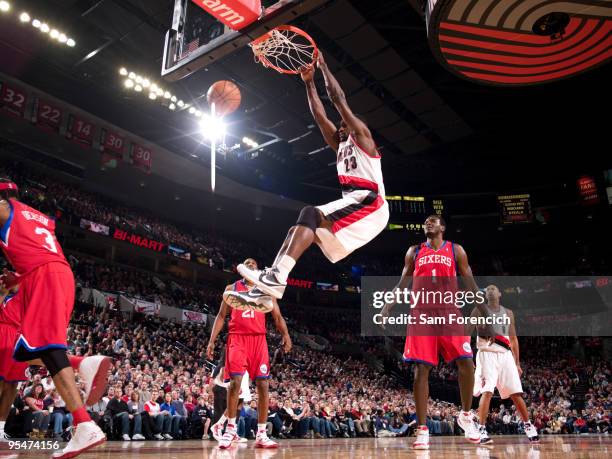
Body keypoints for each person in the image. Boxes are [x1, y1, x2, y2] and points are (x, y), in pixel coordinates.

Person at [224, 54, 389, 311]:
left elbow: (337, 99)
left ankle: (276, 279)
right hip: (355, 202)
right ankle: (266, 292)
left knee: (309, 213)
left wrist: (323, 66)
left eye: (345, 123)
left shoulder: (363, 138)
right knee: (298, 229)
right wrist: (309, 82)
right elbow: (320, 117)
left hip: (370, 203)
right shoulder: (340, 145)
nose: (340, 126)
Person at [0, 178, 111, 458]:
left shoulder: (3, 208)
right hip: (57, 274)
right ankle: (81, 368)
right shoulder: (35, 215)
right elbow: (37, 248)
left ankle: (84, 421)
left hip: (44, 276)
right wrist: (20, 276)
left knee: (48, 351)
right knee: (28, 352)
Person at [382, 215, 481, 449]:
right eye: (426, 221)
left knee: (467, 362)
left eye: (434, 220)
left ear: (443, 227)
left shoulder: (456, 250)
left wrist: (483, 307)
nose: (429, 222)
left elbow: (469, 280)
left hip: (449, 311)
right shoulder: (414, 251)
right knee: (421, 369)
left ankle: (466, 415)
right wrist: (388, 304)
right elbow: (403, 281)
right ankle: (423, 430)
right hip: (422, 314)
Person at [206, 258, 292, 449]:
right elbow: (221, 316)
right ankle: (230, 430)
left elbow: (277, 316)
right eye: (248, 263)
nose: (251, 264)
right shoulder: (232, 288)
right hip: (237, 338)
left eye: (254, 263)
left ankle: (261, 434)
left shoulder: (266, 289)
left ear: (258, 269)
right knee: (235, 383)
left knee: (263, 384)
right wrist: (211, 341)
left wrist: (286, 334)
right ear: (242, 269)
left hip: (258, 340)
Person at [468, 284, 540, 444]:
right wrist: (467, 356)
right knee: (487, 391)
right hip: (487, 353)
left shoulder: (508, 313)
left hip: (506, 355)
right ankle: (481, 428)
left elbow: (513, 339)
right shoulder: (478, 310)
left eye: (494, 288)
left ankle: (528, 425)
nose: (491, 290)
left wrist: (517, 363)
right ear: (486, 295)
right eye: (488, 289)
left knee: (516, 393)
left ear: (499, 293)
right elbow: (466, 334)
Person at [0, 287, 28, 441]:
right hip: (3, 331)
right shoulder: (4, 288)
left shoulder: (29, 291)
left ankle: (0, 429)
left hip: (20, 337)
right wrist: (3, 292)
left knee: (12, 386)